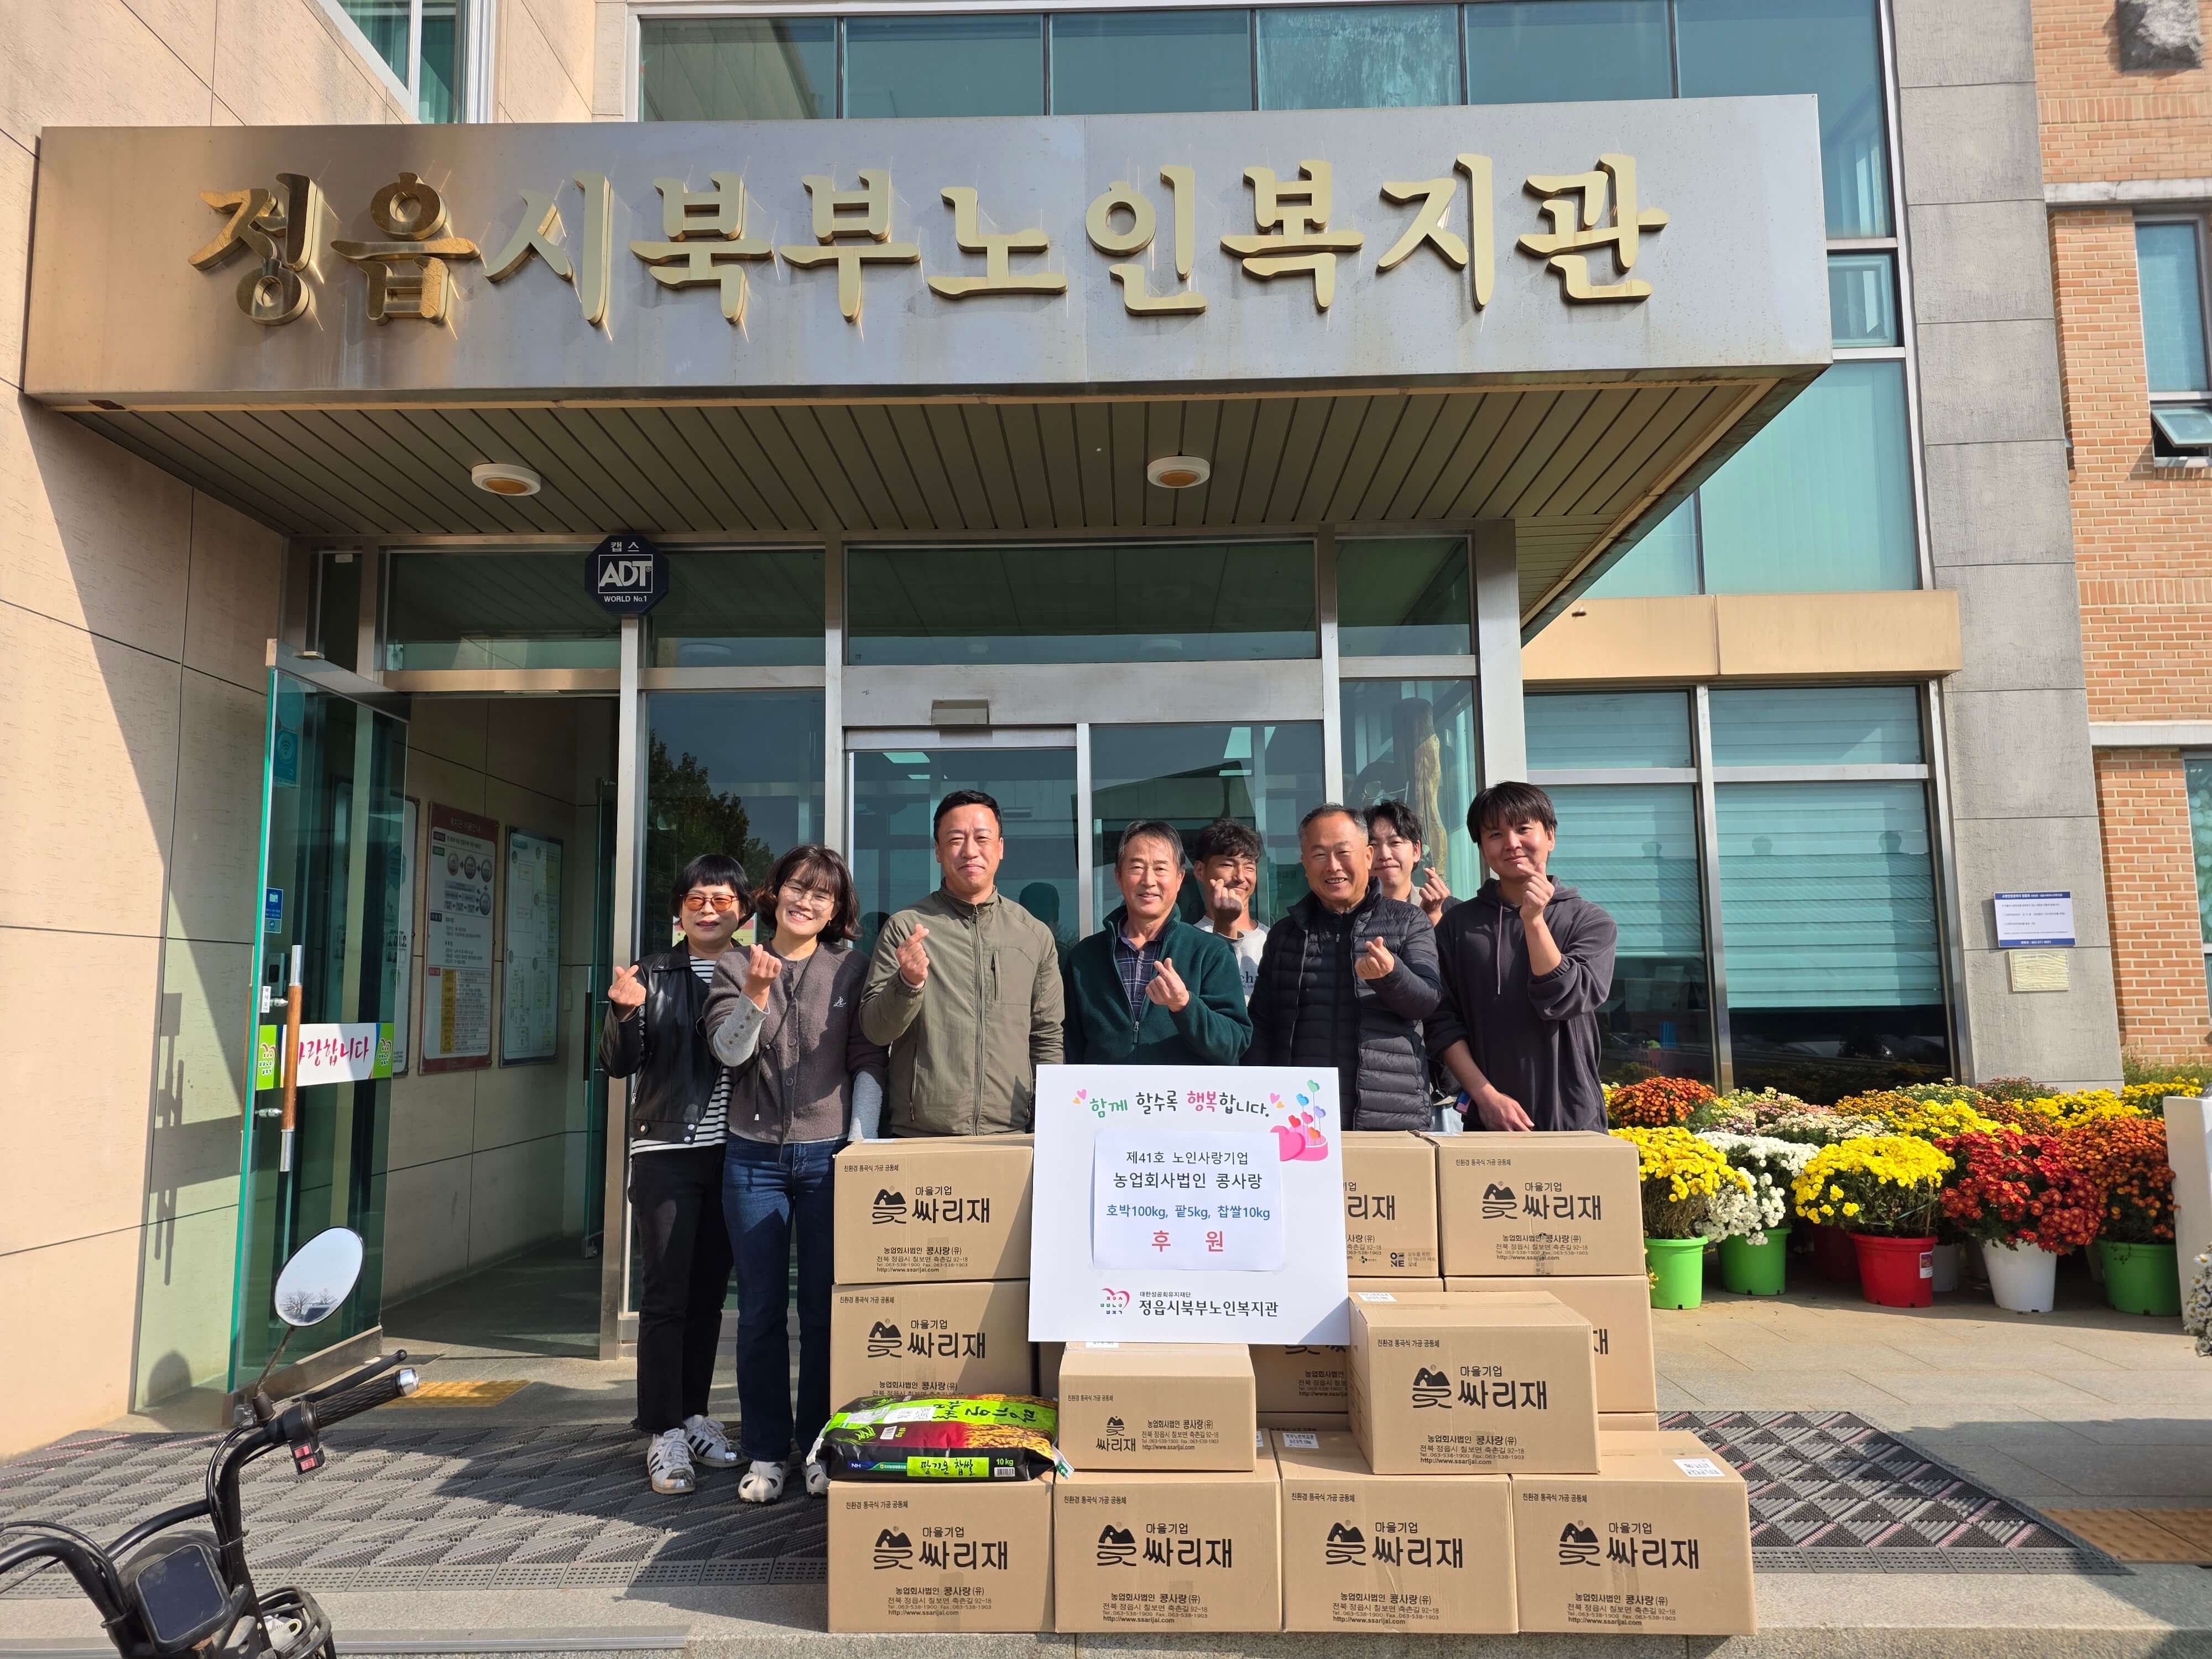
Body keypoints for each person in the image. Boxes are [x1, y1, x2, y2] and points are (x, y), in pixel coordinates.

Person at [702, 844, 887, 1505]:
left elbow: (868, 1058)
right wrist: (755, 993)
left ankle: (816, 1444)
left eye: (822, 894)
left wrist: (860, 1143)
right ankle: (764, 1448)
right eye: (797, 888)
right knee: (758, 1313)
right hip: (752, 1159)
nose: (806, 901)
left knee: (823, 1311)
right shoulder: (735, 965)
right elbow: (729, 1054)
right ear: (775, 891)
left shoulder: (851, 967)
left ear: (836, 910)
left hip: (828, 1157)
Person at [600, 853, 750, 1496]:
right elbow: (618, 1064)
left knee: (709, 1294)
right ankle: (662, 1429)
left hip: (736, 1153)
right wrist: (623, 1013)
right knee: (665, 1296)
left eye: (721, 899)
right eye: (696, 899)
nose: (708, 909)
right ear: (679, 910)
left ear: (742, 909)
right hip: (666, 1150)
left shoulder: (754, 968)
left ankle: (694, 1415)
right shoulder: (651, 973)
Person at [860, 789, 1065, 1134]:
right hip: (921, 1135)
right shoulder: (906, 928)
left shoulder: (1033, 935)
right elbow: (876, 1031)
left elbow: (1047, 1038)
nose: (970, 851)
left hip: (1011, 1134)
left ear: (1001, 847)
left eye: (982, 838)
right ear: (938, 851)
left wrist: (1048, 1124)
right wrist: (907, 984)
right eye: (956, 840)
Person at [1429, 781, 1618, 1133]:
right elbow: (1441, 1022)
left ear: (1550, 836)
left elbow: (1566, 999)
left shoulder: (1589, 921)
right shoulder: (1458, 926)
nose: (1512, 843)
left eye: (1523, 829)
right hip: (1489, 1120)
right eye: (1495, 834)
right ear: (1482, 848)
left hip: (1571, 1117)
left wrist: (1534, 921)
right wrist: (1485, 1097)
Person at [1245, 804, 1441, 1129]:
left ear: (1368, 855)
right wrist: (1258, 1100)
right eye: (1319, 855)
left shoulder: (1408, 921)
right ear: (1305, 863)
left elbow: (1427, 1001)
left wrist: (1391, 975)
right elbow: (1262, 1024)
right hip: (1301, 1118)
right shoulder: (1285, 934)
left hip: (1389, 1115)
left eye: (1343, 852)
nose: (1333, 866)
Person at [1064, 820, 1252, 1066]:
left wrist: (1184, 1005)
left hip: (1181, 1092)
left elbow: (1234, 1044)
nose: (1148, 880)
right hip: (1106, 1092)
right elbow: (1071, 1046)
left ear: (1180, 879)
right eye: (1137, 867)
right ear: (1119, 877)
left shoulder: (1211, 953)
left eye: (1161, 869)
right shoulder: (1085, 957)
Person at [1190, 817, 1269, 1003]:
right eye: (1228, 865)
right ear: (1200, 870)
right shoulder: (1188, 942)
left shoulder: (1274, 940)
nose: (1240, 877)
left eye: (1249, 867)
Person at [1364, 799, 1454, 925]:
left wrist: (1433, 916)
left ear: (1416, 850)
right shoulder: (1347, 912)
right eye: (1373, 845)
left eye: (1395, 843)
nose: (1384, 855)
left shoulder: (1450, 910)